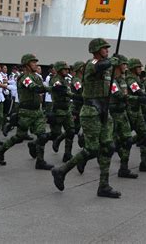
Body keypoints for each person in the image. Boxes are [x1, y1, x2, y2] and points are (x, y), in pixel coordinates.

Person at [51, 38, 121, 198]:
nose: (107, 50)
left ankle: (104, 186)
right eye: (104, 48)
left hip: (104, 110)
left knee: (108, 147)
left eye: (107, 48)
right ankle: (61, 171)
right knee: (92, 149)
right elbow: (101, 65)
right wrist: (111, 61)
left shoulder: (107, 68)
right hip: (91, 111)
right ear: (97, 50)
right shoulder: (92, 63)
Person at [0, 54, 54, 170]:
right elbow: (34, 87)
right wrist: (52, 88)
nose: (36, 64)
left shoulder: (36, 76)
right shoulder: (24, 78)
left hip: (37, 111)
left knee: (42, 135)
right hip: (26, 112)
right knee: (19, 137)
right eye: (33, 62)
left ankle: (40, 161)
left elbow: (39, 90)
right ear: (27, 65)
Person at [109, 54, 140, 178]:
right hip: (113, 114)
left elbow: (125, 97)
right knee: (108, 144)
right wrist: (138, 98)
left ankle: (124, 169)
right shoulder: (110, 80)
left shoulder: (123, 80)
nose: (126, 67)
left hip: (123, 113)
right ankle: (84, 159)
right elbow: (118, 95)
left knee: (127, 140)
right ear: (117, 65)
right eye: (124, 64)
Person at [50, 61, 76, 162]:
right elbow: (63, 91)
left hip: (67, 109)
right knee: (54, 133)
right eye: (65, 69)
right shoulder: (55, 80)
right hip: (58, 109)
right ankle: (34, 145)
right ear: (59, 70)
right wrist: (75, 96)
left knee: (71, 131)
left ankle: (67, 154)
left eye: (67, 69)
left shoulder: (65, 80)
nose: (67, 70)